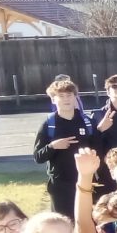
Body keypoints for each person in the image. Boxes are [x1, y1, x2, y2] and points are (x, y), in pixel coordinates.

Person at [35, 79, 95, 218]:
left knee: (87, 221)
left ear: (75, 97)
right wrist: (53, 146)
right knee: (63, 223)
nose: (66, 99)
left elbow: (98, 150)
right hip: (60, 185)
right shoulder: (49, 124)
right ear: (53, 99)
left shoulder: (87, 122)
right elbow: (38, 157)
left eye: (69, 95)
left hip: (86, 180)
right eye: (61, 96)